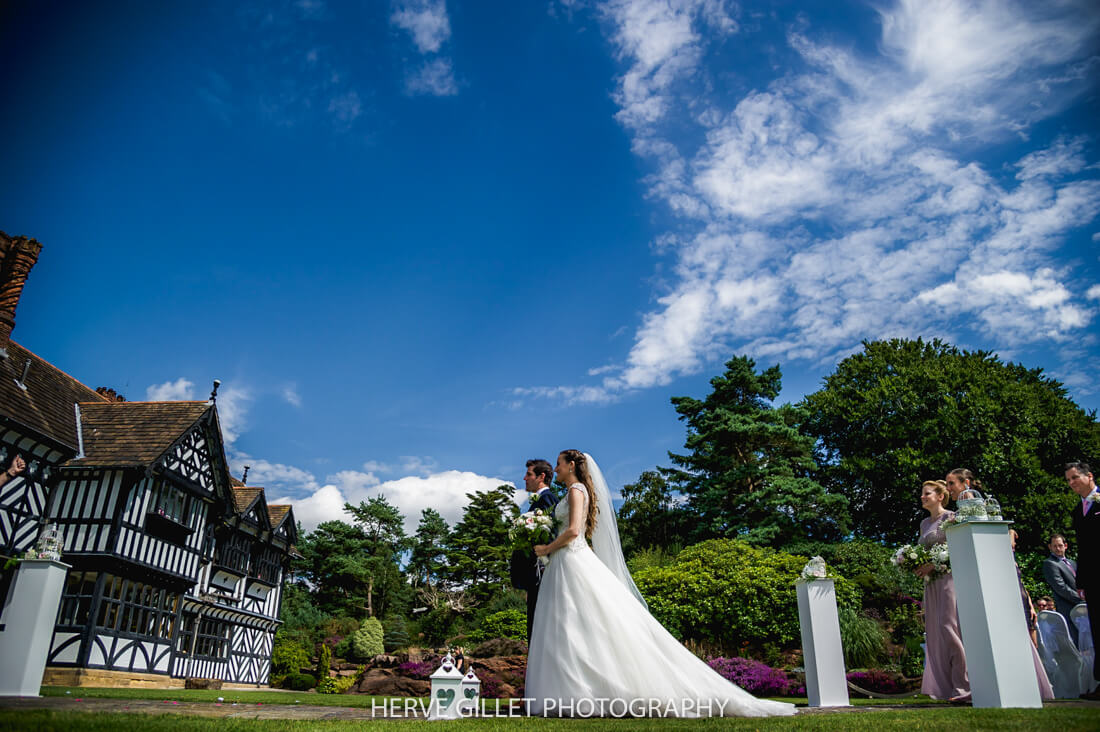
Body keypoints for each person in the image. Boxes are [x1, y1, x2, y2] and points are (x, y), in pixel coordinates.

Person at [525, 450, 795, 718]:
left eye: (559, 464)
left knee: (579, 623)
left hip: (571, 560)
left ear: (571, 465)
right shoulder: (575, 490)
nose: (556, 468)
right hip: (565, 564)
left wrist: (546, 548)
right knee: (569, 626)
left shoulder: (576, 491)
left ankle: (586, 691)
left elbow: (573, 531)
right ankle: (573, 690)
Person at [915, 480, 970, 701]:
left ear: (940, 496)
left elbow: (957, 548)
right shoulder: (923, 523)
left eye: (926, 493)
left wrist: (934, 565)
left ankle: (964, 686)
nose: (922, 497)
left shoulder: (951, 518)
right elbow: (922, 551)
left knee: (950, 628)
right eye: (922, 494)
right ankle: (944, 687)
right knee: (935, 633)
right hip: (930, 582)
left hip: (949, 579)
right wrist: (913, 563)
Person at [509, 458, 560, 641]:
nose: (524, 478)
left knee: (537, 629)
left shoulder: (547, 499)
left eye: (529, 474)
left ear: (541, 477)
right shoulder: (540, 501)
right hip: (535, 577)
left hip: (540, 575)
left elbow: (550, 535)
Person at [1009, 529, 1055, 700]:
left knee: (1033, 643)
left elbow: (1022, 585)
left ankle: (1039, 684)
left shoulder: (1014, 562)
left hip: (1024, 603)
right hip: (1013, 604)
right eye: (1012, 542)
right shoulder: (1001, 560)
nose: (1014, 546)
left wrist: (1030, 604)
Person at [1066, 461, 1100, 697]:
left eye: (1074, 477)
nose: (1071, 483)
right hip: (1093, 579)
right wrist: (1081, 583)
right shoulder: (1078, 511)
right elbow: (1083, 550)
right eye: (1068, 480)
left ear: (1089, 476)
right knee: (1098, 629)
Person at [1042, 533, 1080, 645]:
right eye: (1054, 546)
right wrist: (1082, 599)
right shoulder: (1050, 564)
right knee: (1078, 644)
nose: (1058, 548)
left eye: (1060, 545)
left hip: (1082, 609)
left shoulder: (1072, 563)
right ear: (1050, 547)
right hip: (1069, 610)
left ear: (1066, 545)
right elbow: (1061, 588)